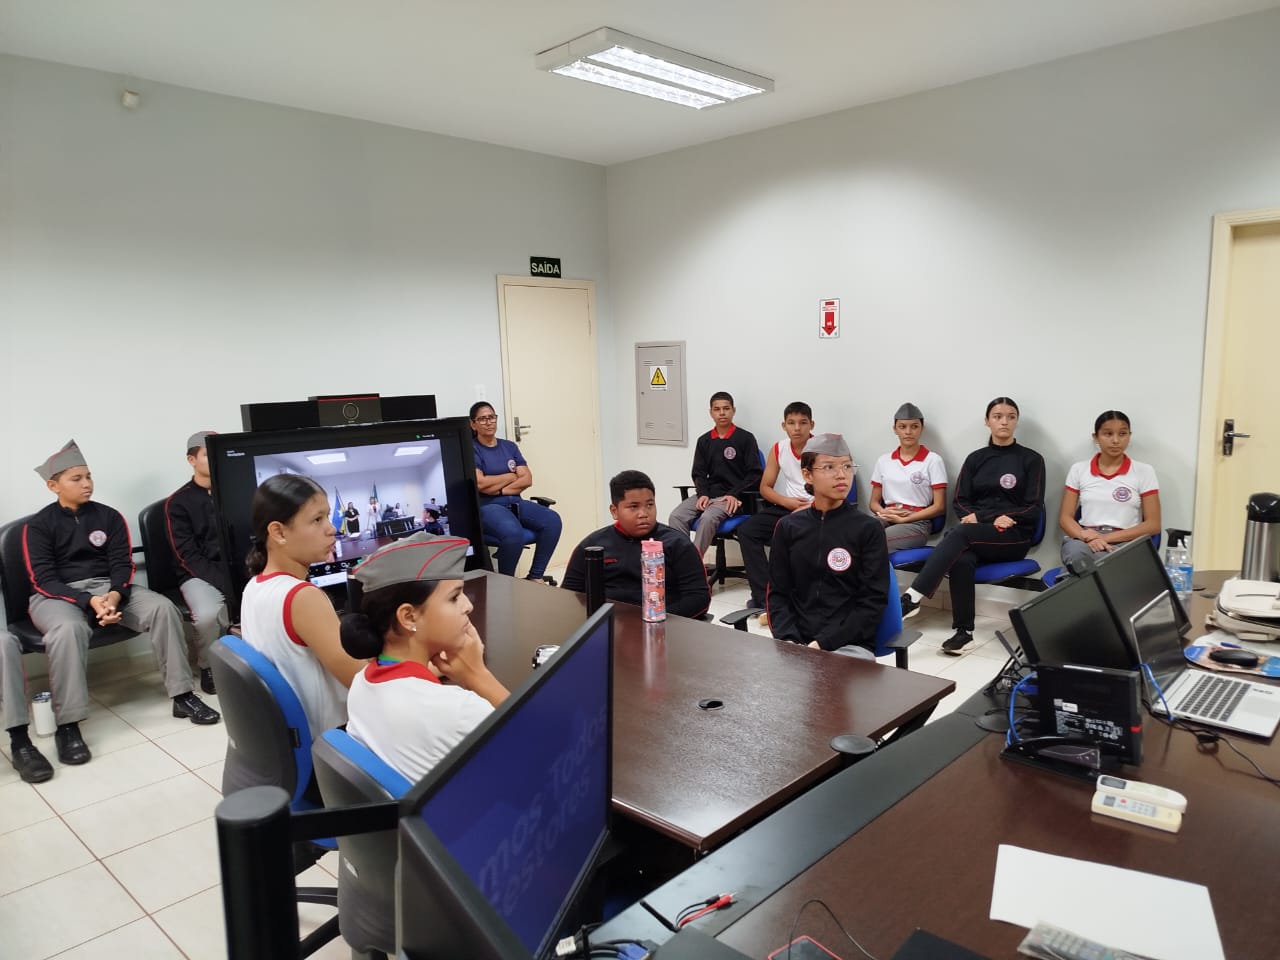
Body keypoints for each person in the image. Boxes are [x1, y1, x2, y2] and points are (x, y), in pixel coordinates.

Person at [16, 440, 219, 780]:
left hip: (110, 588)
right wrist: (88, 602)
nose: (87, 484)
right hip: (57, 597)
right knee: (69, 630)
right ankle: (69, 725)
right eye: (76, 478)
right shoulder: (37, 526)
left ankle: (183, 695)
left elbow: (121, 564)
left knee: (162, 609)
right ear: (53, 486)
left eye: (89, 476)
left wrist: (113, 595)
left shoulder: (108, 517)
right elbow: (42, 579)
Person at [342, 533, 509, 783]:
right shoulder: (458, 710)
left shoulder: (360, 685)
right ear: (409, 617)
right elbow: (546, 748)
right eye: (454, 597)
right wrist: (478, 676)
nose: (468, 606)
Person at [900, 398, 1045, 655]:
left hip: (1013, 536)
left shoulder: (1031, 459)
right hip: (977, 534)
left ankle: (913, 597)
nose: (1004, 421)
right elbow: (960, 501)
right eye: (998, 416)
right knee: (962, 557)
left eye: (1010, 416)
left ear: (1016, 422)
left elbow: (1032, 507)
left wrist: (989, 517)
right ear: (987, 421)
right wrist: (986, 518)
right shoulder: (976, 459)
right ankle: (964, 632)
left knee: (961, 534)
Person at [239, 474, 366, 740]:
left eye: (328, 517)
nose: (331, 529)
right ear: (279, 532)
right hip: (335, 740)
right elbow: (363, 683)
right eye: (317, 520)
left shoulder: (254, 586)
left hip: (297, 740)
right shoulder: (302, 596)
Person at [767, 434, 889, 656]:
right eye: (829, 467)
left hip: (849, 643)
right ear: (807, 474)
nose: (841, 475)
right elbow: (778, 594)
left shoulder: (868, 529)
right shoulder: (788, 527)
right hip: (796, 640)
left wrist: (822, 644)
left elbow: (873, 602)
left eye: (847, 466)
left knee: (828, 685)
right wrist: (789, 640)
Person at [561, 470, 711, 619]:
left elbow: (699, 598)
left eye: (649, 505)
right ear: (614, 511)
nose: (643, 513)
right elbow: (569, 595)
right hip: (607, 625)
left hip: (661, 626)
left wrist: (657, 618)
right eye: (633, 507)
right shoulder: (592, 546)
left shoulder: (678, 544)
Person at [163, 430, 230, 695]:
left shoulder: (234, 491)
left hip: (237, 568)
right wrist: (225, 582)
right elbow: (186, 555)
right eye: (206, 455)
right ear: (191, 460)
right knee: (208, 616)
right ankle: (208, 666)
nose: (213, 460)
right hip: (197, 573)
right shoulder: (178, 503)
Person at [736, 402, 815, 614]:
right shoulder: (779, 448)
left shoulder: (821, 448)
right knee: (747, 531)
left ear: (811, 425)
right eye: (791, 423)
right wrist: (786, 502)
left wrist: (811, 506)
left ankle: (800, 597)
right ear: (784, 425)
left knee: (789, 531)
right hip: (788, 506)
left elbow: (834, 488)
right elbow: (765, 487)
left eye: (802, 423)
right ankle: (764, 598)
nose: (797, 428)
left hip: (816, 508)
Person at [469, 401, 562, 581]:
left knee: (553, 520)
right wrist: (511, 477)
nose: (489, 422)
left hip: (514, 502)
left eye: (492, 417)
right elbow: (481, 484)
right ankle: (507, 583)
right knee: (513, 533)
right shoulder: (472, 448)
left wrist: (498, 490)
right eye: (482, 419)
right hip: (488, 507)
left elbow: (527, 479)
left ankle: (535, 576)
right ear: (473, 424)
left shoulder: (509, 446)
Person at [1058, 410, 1161, 570]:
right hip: (1084, 539)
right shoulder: (1079, 469)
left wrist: (1105, 538)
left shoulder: (1144, 471)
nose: (1115, 440)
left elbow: (1153, 524)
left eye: (1122, 434)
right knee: (1076, 556)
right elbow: (1065, 518)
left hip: (1125, 541)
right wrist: (1087, 537)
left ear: (1129, 436)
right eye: (1108, 434)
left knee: (1096, 564)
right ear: (1096, 437)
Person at [668, 391, 763, 561]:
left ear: (733, 410)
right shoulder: (704, 440)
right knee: (677, 516)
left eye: (726, 408)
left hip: (734, 497)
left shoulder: (745, 438)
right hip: (708, 493)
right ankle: (681, 562)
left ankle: (694, 566)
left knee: (708, 518)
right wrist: (703, 493)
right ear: (710, 412)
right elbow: (698, 472)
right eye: (717, 409)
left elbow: (755, 474)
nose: (722, 413)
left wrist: (734, 494)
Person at [868, 403, 948, 552]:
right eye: (903, 427)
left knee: (875, 541)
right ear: (895, 429)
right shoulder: (884, 460)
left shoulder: (933, 460)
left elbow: (939, 507)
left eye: (914, 426)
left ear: (922, 429)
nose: (908, 432)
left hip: (917, 522)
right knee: (858, 533)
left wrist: (905, 519)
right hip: (887, 516)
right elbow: (873, 502)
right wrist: (884, 512)